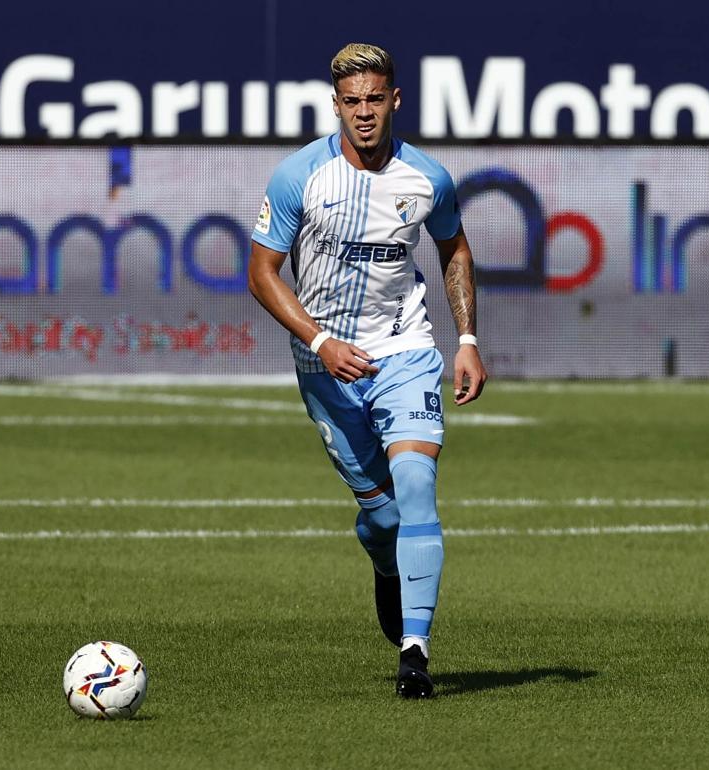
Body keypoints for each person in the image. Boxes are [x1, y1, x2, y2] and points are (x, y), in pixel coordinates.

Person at [247, 42, 487, 698]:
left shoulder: (427, 178)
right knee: (382, 517)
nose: (363, 113)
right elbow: (261, 274)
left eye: (374, 99)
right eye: (351, 102)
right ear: (336, 105)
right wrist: (320, 340)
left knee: (416, 485)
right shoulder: (299, 177)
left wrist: (465, 338)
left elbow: (453, 246)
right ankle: (387, 567)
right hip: (328, 370)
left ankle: (415, 651)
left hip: (407, 353)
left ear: (395, 100)